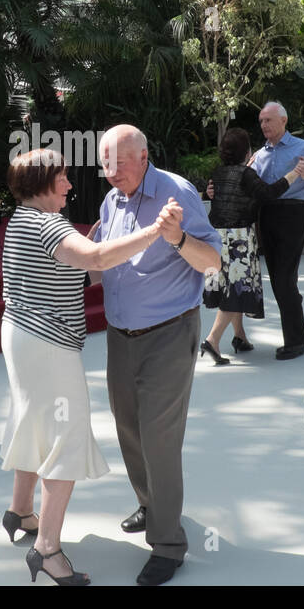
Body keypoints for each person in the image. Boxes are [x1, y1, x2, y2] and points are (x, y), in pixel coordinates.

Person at [0, 148, 178, 585]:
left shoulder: (22, 219)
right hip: (48, 345)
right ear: (42, 184)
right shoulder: (48, 224)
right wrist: (156, 230)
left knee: (32, 421)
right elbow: (96, 261)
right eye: (62, 177)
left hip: (20, 336)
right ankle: (48, 550)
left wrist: (95, 246)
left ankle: (20, 511)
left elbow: (81, 264)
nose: (70, 184)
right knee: (66, 436)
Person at [90, 125, 222, 585]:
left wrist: (179, 239)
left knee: (160, 439)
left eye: (119, 164)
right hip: (118, 335)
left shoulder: (176, 192)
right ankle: (150, 504)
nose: (111, 174)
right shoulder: (111, 199)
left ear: (143, 156)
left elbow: (213, 262)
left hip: (167, 333)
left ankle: (168, 545)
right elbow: (104, 255)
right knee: (128, 428)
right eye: (105, 164)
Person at [200, 127, 304, 364]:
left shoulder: (218, 173)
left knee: (229, 286)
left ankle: (240, 337)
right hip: (238, 237)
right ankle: (212, 340)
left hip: (215, 237)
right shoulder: (246, 175)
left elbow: (216, 193)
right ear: (247, 151)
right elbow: (269, 193)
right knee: (238, 290)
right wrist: (293, 174)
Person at [249, 102, 304, 360]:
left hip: (293, 214)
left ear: (283, 121)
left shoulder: (303, 148)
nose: (264, 125)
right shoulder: (259, 154)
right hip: (267, 215)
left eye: (269, 120)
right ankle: (302, 336)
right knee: (279, 279)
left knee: (285, 278)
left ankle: (294, 341)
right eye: (261, 121)